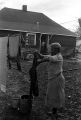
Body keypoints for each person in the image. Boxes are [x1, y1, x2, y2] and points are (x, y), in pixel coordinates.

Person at [36, 43, 65, 119]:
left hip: (57, 79)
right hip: (53, 79)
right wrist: (40, 55)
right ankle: (53, 112)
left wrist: (40, 61)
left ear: (56, 49)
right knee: (52, 95)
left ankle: (55, 113)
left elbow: (50, 58)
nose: (50, 50)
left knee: (56, 96)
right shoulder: (54, 56)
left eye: (52, 49)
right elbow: (47, 57)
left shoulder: (58, 56)